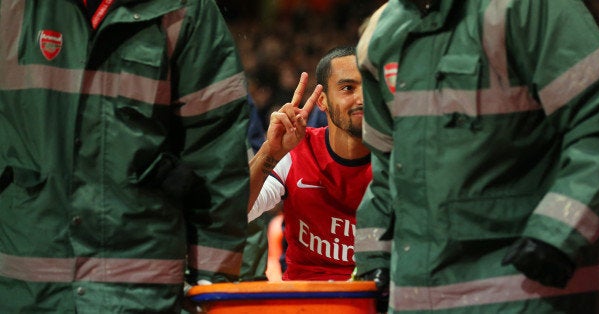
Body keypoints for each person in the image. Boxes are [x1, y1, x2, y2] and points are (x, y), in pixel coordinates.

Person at [353, 1, 599, 313]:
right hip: (415, 298)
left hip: (528, 294)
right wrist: (374, 259)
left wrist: (558, 233)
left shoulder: (532, 8)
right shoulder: (381, 33)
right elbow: (386, 168)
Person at [0, 1, 250, 313]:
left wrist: (208, 292)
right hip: (21, 292)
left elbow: (217, 157)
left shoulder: (187, 9)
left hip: (143, 296)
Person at [248, 46, 372, 281]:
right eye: (348, 88)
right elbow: (237, 212)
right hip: (306, 298)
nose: (362, 98)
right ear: (322, 101)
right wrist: (270, 152)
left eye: (370, 87)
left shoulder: (396, 156)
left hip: (372, 296)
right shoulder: (295, 150)